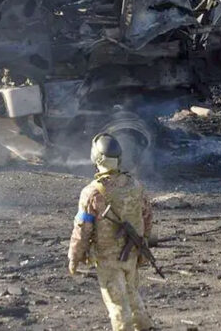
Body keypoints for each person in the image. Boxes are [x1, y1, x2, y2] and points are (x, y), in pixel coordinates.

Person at [68, 133, 155, 331]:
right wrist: (144, 242)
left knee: (117, 304)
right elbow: (147, 217)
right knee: (132, 293)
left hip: (108, 257)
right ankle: (144, 326)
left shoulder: (92, 192)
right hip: (132, 253)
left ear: (96, 158)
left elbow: (82, 229)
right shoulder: (135, 186)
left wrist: (74, 256)